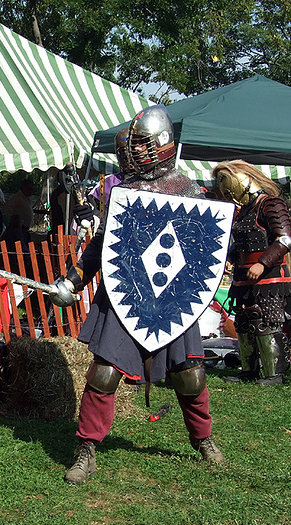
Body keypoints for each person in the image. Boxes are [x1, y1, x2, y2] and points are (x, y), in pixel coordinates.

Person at [49, 104, 224, 485]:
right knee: (104, 372)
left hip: (173, 295)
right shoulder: (123, 192)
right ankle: (86, 449)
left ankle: (204, 439)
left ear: (162, 145)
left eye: (143, 145)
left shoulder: (191, 192)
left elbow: (202, 250)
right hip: (126, 291)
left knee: (190, 374)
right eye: (135, 145)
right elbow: (103, 244)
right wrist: (76, 277)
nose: (134, 152)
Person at [213, 160, 291, 385]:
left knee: (265, 321)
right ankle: (249, 371)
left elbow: (285, 238)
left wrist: (263, 263)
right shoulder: (245, 210)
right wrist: (231, 258)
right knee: (244, 323)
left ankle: (273, 374)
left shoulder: (271, 203)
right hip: (244, 275)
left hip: (269, 276)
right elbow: (244, 241)